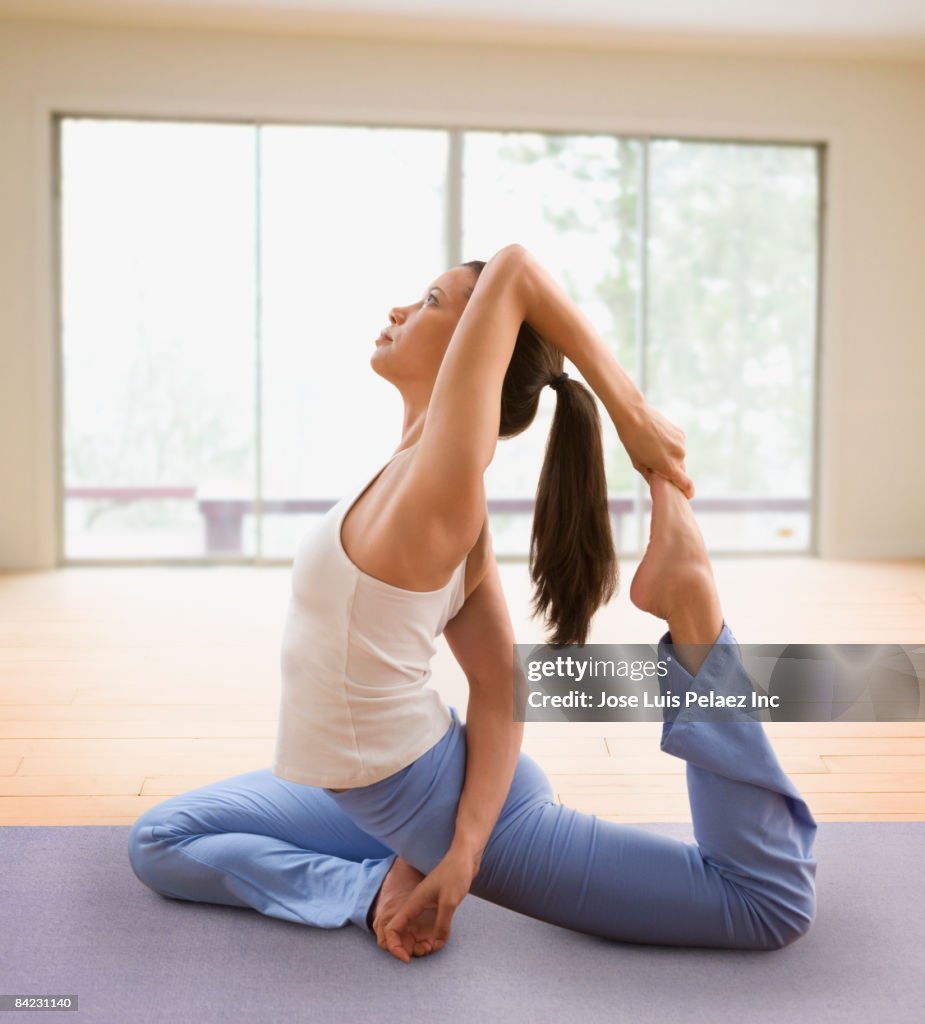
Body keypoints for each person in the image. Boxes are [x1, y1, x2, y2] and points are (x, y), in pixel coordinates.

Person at [128, 245, 817, 963]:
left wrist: (463, 850)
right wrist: (413, 859)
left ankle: (695, 615)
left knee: (765, 904)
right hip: (423, 780)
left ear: (475, 350)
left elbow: (515, 266)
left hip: (436, 802)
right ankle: (376, 887)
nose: (397, 310)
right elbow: (495, 683)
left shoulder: (442, 485)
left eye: (430, 302)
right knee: (162, 837)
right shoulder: (413, 482)